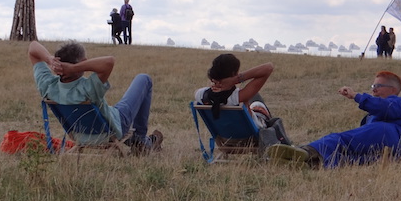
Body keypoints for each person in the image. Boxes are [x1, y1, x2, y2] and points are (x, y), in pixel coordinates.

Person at [28, 41, 162, 154]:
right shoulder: (88, 88)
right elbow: (109, 61)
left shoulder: (47, 86)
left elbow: (33, 47)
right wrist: (74, 68)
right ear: (83, 62)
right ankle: (141, 141)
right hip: (112, 130)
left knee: (114, 108)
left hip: (80, 136)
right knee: (144, 79)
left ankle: (139, 140)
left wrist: (49, 59)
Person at [267, 71, 401, 169]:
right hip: (385, 151)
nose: (373, 90)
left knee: (341, 141)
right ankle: (310, 163)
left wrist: (357, 96)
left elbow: (384, 107)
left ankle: (306, 151)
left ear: (393, 90)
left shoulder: (398, 102)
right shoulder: (372, 116)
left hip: (386, 133)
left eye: (378, 86)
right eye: (373, 86)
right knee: (351, 159)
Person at [193, 53, 275, 127]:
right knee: (258, 103)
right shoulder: (238, 97)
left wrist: (216, 84)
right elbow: (268, 67)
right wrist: (237, 79)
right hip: (255, 130)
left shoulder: (201, 95)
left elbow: (196, 92)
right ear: (234, 74)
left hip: (225, 135)